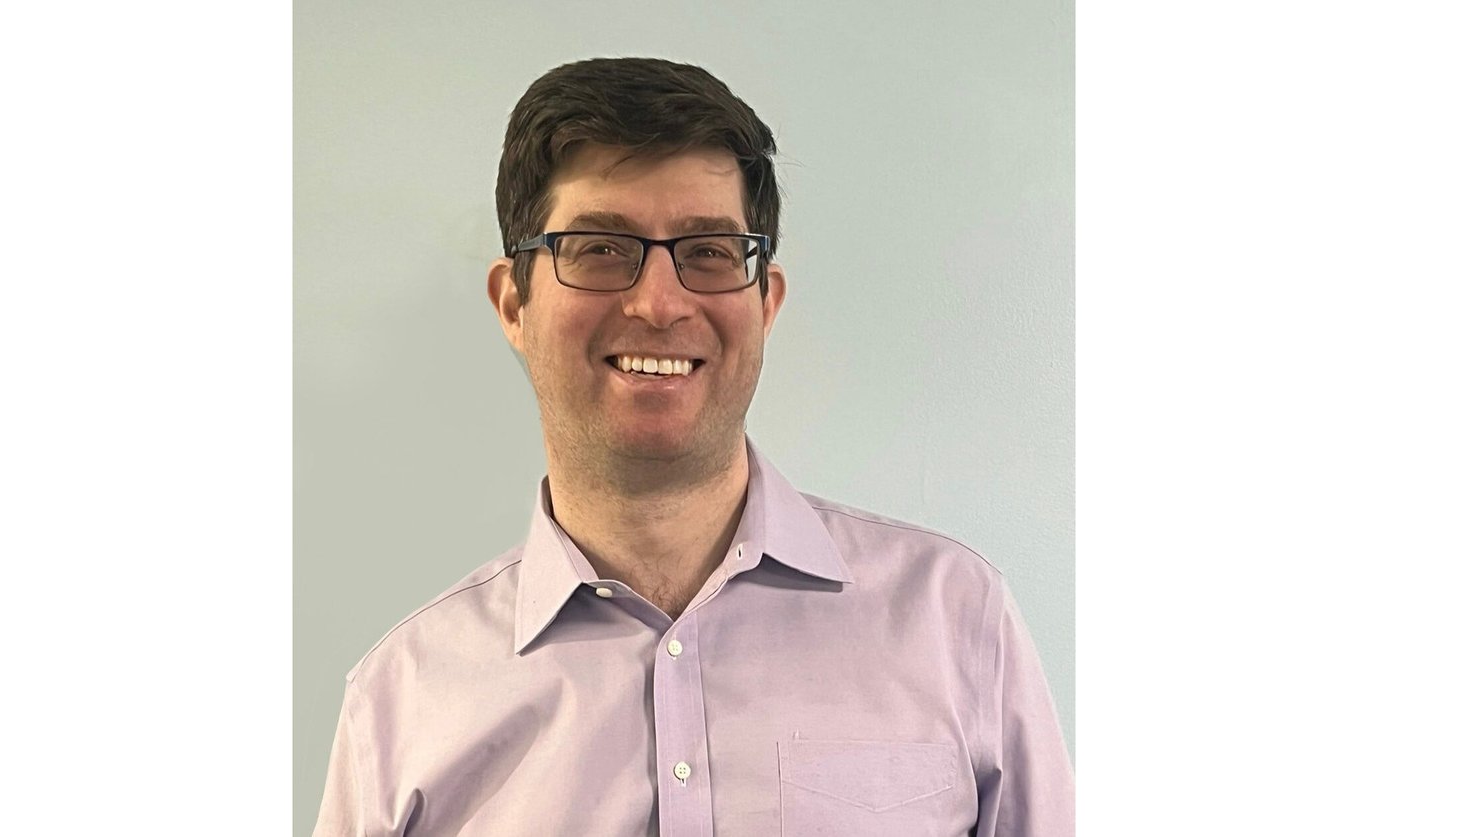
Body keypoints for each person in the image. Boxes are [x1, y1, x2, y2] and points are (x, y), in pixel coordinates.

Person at [312, 57, 1074, 836]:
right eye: (601, 248)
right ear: (513, 303)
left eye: (709, 251)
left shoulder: (958, 622)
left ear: (765, 302)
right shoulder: (399, 706)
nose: (659, 302)